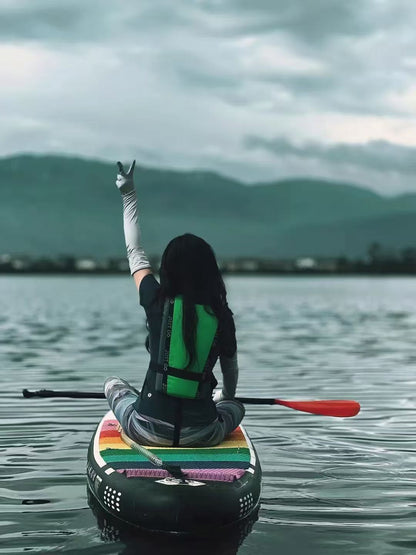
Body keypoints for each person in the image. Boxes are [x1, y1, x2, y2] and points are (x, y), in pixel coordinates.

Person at [104, 160, 244, 447]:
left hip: (146, 429)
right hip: (203, 433)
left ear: (167, 269)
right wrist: (225, 398)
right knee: (236, 407)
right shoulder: (222, 316)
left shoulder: (156, 301)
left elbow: (135, 253)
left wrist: (128, 194)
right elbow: (230, 374)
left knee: (114, 386)